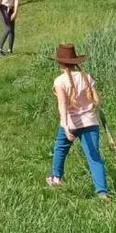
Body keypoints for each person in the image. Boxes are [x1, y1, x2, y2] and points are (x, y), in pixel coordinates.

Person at [46, 43, 109, 199]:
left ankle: (56, 179)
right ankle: (102, 192)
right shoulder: (86, 77)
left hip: (71, 123)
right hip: (90, 123)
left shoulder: (60, 81)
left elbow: (62, 105)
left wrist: (66, 127)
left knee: (60, 149)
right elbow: (97, 100)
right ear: (75, 62)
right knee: (94, 157)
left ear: (60, 63)